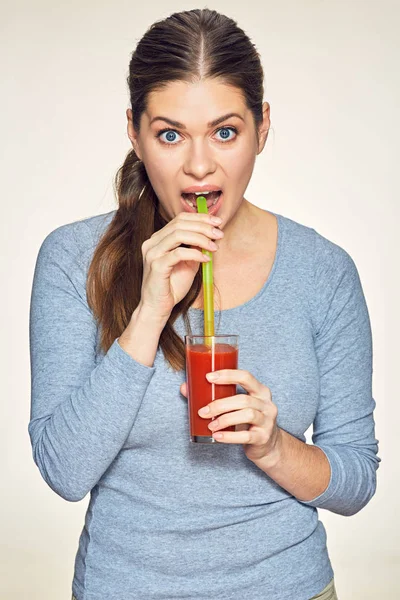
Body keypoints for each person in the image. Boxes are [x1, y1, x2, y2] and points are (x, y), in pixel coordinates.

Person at [28, 8, 380, 600]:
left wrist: (274, 447)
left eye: (225, 131)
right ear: (135, 134)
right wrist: (148, 313)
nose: (198, 165)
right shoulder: (72, 258)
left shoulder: (323, 271)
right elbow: (64, 472)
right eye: (170, 134)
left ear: (261, 128)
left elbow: (356, 481)